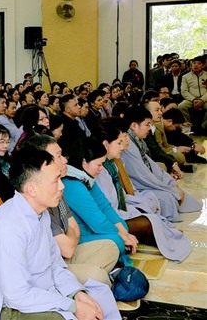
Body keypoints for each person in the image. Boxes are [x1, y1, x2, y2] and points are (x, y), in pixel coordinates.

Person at [0, 145, 120, 320]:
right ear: (32, 189)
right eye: (55, 181)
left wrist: (76, 293)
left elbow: (55, 265)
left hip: (43, 293)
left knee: (100, 296)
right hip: (9, 309)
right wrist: (72, 306)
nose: (61, 186)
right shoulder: (7, 226)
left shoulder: (41, 214)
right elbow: (17, 295)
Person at [23, 134, 119, 286]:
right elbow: (67, 248)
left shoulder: (57, 187)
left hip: (65, 257)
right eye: (59, 156)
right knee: (98, 276)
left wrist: (70, 239)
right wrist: (70, 239)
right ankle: (85, 280)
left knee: (111, 247)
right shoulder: (39, 199)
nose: (65, 160)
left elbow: (73, 228)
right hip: (49, 269)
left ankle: (82, 280)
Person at [93, 119, 191, 262]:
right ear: (106, 144)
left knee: (150, 208)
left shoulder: (111, 164)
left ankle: (164, 233)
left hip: (119, 210)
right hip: (112, 218)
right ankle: (162, 235)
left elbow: (123, 195)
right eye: (119, 142)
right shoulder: (99, 169)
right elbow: (107, 207)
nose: (122, 146)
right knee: (149, 220)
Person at [63, 137, 139, 267]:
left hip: (94, 229)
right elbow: (97, 221)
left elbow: (105, 207)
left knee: (122, 225)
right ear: (84, 162)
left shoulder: (85, 178)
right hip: (81, 236)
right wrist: (122, 237)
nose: (101, 169)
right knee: (116, 240)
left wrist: (124, 233)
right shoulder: (72, 184)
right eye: (99, 165)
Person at [121, 106, 200, 222]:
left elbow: (150, 164)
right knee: (168, 199)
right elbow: (142, 176)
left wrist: (170, 182)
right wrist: (169, 189)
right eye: (147, 124)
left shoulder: (137, 140)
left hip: (147, 182)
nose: (149, 128)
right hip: (139, 187)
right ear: (134, 126)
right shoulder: (128, 144)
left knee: (179, 195)